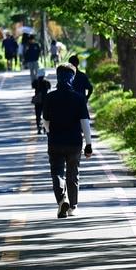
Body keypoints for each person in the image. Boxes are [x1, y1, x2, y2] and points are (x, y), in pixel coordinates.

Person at [42, 64, 93, 218]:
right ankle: (73, 207)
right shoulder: (78, 98)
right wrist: (89, 145)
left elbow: (45, 121)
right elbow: (85, 122)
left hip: (55, 141)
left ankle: (61, 200)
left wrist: (50, 132)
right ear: (73, 77)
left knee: (57, 173)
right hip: (74, 142)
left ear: (58, 77)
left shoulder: (50, 97)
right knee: (73, 174)